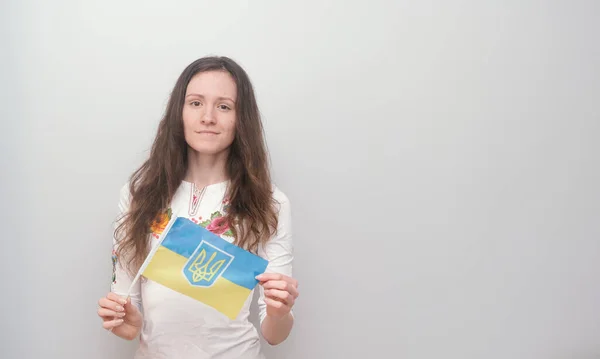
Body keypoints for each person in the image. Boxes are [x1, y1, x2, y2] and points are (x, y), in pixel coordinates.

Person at [97, 56, 298, 359]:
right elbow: (127, 315)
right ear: (178, 112)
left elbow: (274, 335)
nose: (208, 117)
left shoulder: (269, 203)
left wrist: (280, 313)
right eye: (195, 103)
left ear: (241, 119)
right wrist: (125, 321)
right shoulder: (139, 195)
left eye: (224, 106)